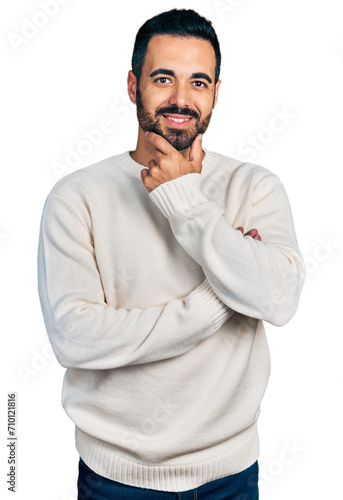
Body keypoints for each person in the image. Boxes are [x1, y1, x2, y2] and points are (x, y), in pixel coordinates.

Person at [37, 8, 305, 500]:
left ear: (216, 93)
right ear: (133, 85)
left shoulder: (254, 187)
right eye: (163, 79)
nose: (181, 99)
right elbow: (75, 339)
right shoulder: (77, 197)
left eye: (198, 82)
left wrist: (187, 202)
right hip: (115, 479)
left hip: (232, 475)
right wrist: (225, 292)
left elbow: (280, 300)